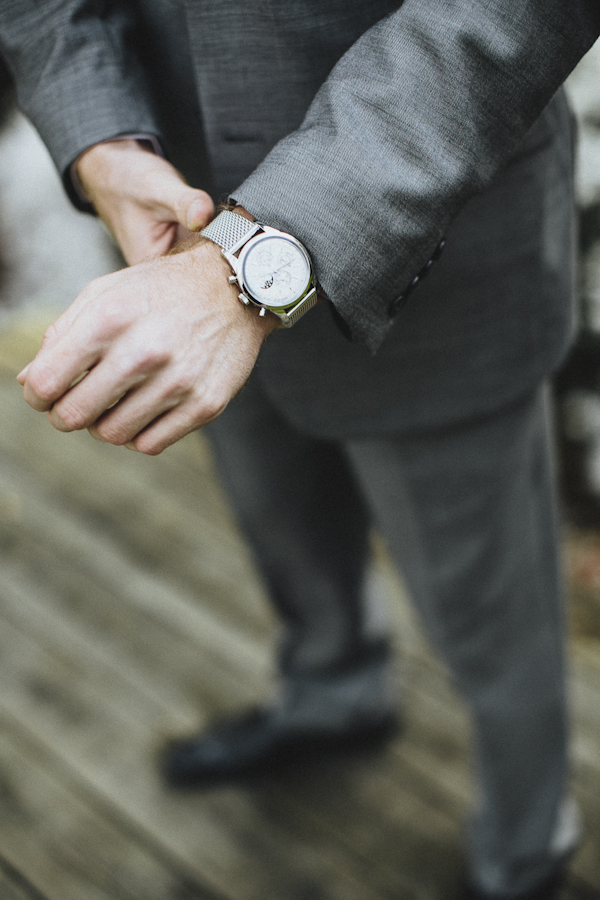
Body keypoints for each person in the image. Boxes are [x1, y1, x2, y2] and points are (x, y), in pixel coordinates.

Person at [1, 2, 599, 898]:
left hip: (445, 255)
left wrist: (240, 273)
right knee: (281, 528)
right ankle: (335, 693)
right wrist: (98, 136)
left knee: (490, 615)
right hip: (169, 230)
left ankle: (527, 844)